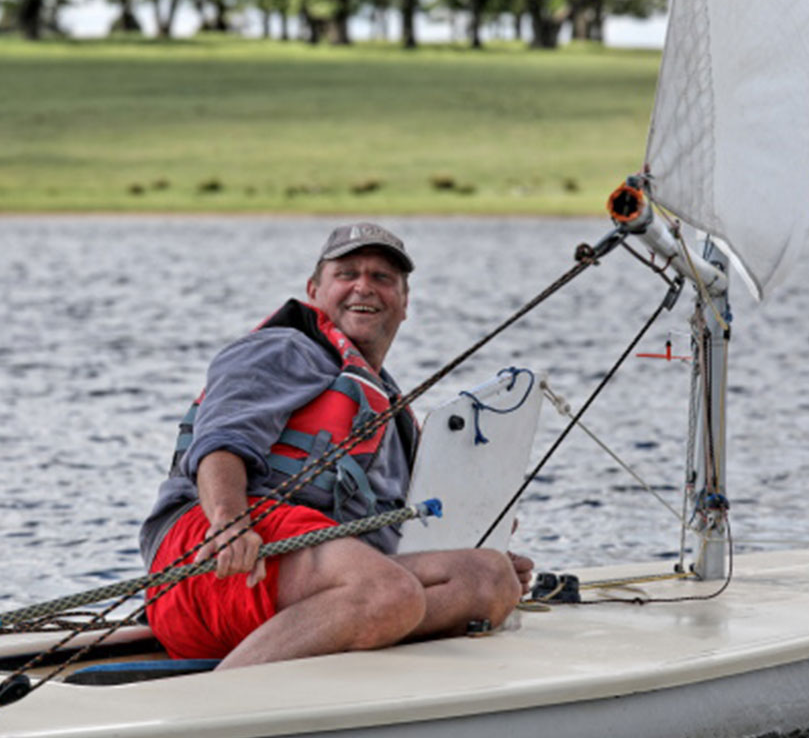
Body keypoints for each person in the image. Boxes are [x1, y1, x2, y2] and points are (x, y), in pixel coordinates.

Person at [139, 222, 533, 670]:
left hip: (323, 583)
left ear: (404, 303)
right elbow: (219, 441)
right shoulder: (283, 348)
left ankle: (351, 638)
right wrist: (229, 521)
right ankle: (217, 706)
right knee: (387, 591)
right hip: (216, 560)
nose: (363, 286)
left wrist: (472, 550)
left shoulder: (392, 413)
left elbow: (407, 532)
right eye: (346, 273)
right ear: (314, 289)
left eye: (383, 278)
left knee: (490, 580)